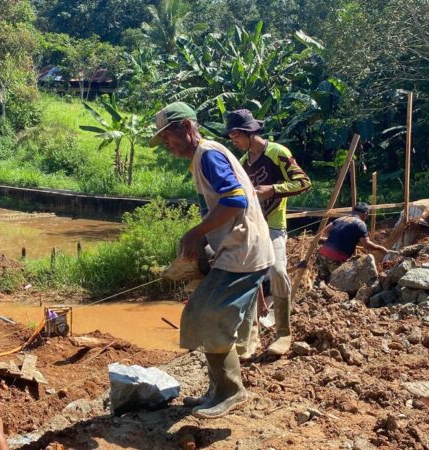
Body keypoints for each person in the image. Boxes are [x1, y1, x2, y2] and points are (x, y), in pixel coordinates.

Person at [149, 102, 274, 419]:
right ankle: (216, 390)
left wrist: (196, 232)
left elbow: (235, 200)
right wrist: (203, 238)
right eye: (163, 141)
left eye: (168, 138)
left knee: (207, 315)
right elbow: (216, 206)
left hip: (243, 252)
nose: (168, 145)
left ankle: (232, 391)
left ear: (187, 128)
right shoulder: (203, 157)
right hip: (237, 249)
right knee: (207, 314)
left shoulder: (208, 155)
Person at [224, 109, 312, 356]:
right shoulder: (243, 163)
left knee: (277, 270)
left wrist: (272, 189)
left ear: (249, 133)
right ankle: (248, 339)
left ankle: (284, 333)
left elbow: (303, 182)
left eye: (236, 137)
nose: (235, 142)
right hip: (253, 227)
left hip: (273, 225)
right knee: (247, 278)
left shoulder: (276, 153)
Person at [316, 203, 390, 280]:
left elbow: (325, 230)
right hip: (336, 259)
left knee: (321, 282)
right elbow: (367, 245)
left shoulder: (341, 219)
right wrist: (379, 248)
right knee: (337, 284)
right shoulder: (360, 224)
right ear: (366, 214)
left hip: (322, 255)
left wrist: (335, 238)